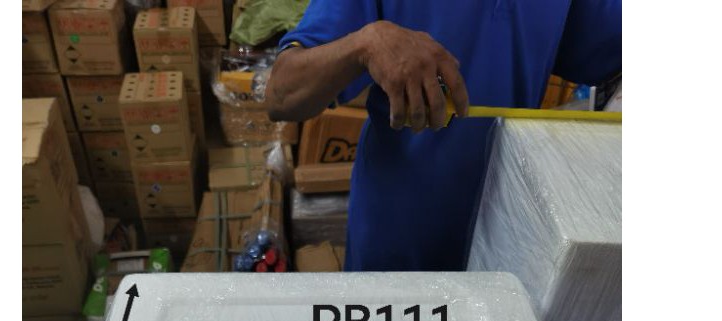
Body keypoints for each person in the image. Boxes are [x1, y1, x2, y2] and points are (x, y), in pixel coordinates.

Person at [266, 1, 622, 271]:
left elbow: (609, 50)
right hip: (400, 240)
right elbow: (282, 93)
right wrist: (366, 44)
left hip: (511, 240)